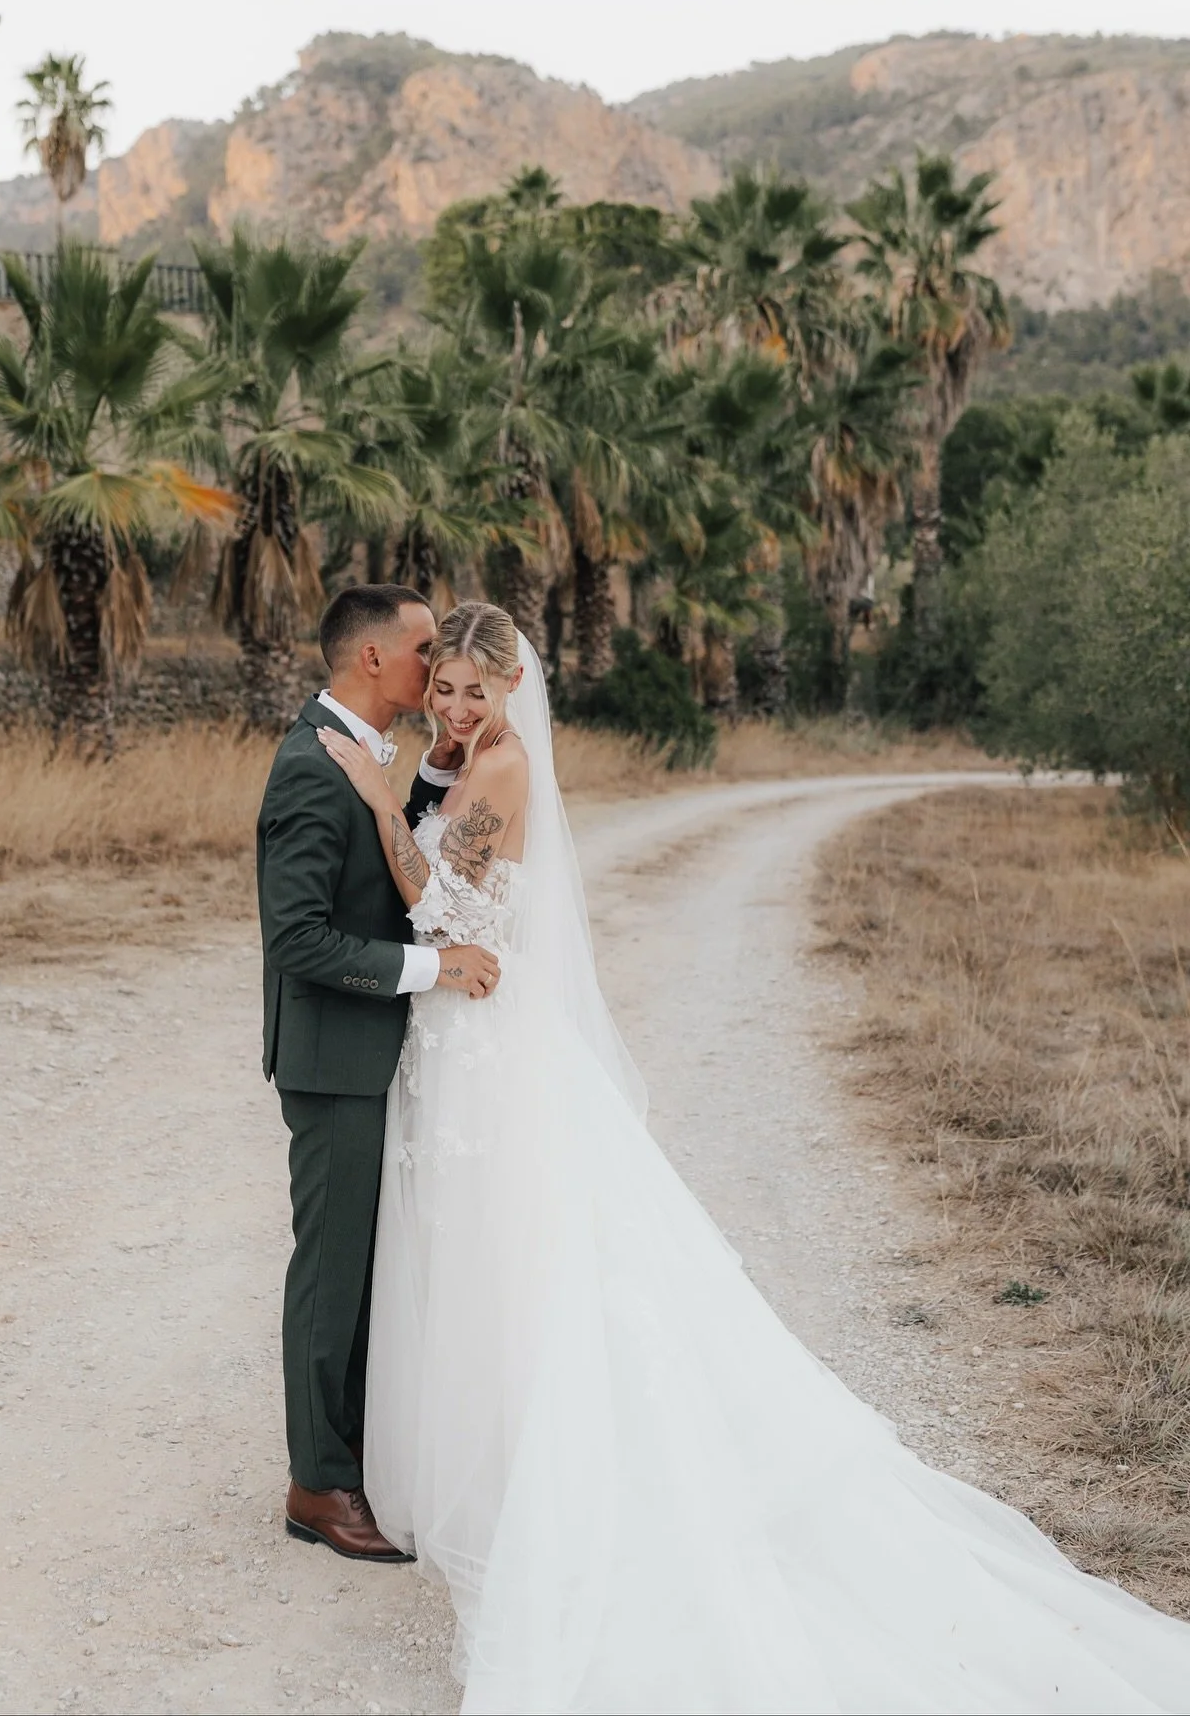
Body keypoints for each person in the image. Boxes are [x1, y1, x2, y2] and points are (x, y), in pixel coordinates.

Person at [316, 599, 1190, 1715]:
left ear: (512, 690)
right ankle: (473, 1462)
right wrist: (427, 779)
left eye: (473, 693)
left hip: (486, 1046)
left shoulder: (507, 771)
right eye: (442, 687)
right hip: (459, 1045)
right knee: (466, 1251)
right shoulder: (467, 760)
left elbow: (450, 918)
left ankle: (545, 1478)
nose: (450, 706)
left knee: (520, 1258)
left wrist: (380, 795)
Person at [255, 584, 499, 1563]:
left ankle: (350, 1453)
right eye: (423, 649)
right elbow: (300, 937)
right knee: (331, 1271)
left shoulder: (367, 751)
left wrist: (430, 776)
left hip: (372, 1053)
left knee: (366, 1268)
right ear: (370, 660)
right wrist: (434, 967)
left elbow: (395, 862)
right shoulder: (313, 765)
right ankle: (317, 1483)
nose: (433, 669)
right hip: (333, 1059)